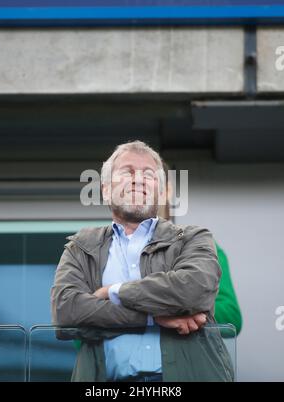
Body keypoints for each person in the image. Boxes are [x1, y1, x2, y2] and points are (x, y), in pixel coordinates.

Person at [51, 140, 234, 382]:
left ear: (160, 191)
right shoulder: (81, 246)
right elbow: (67, 310)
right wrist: (152, 318)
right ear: (105, 189)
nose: (139, 179)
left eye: (149, 174)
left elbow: (193, 290)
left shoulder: (192, 237)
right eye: (127, 172)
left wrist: (113, 292)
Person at [159, 162, 242, 335]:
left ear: (167, 190)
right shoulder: (107, 250)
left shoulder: (199, 245)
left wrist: (179, 310)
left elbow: (232, 318)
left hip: (186, 359)